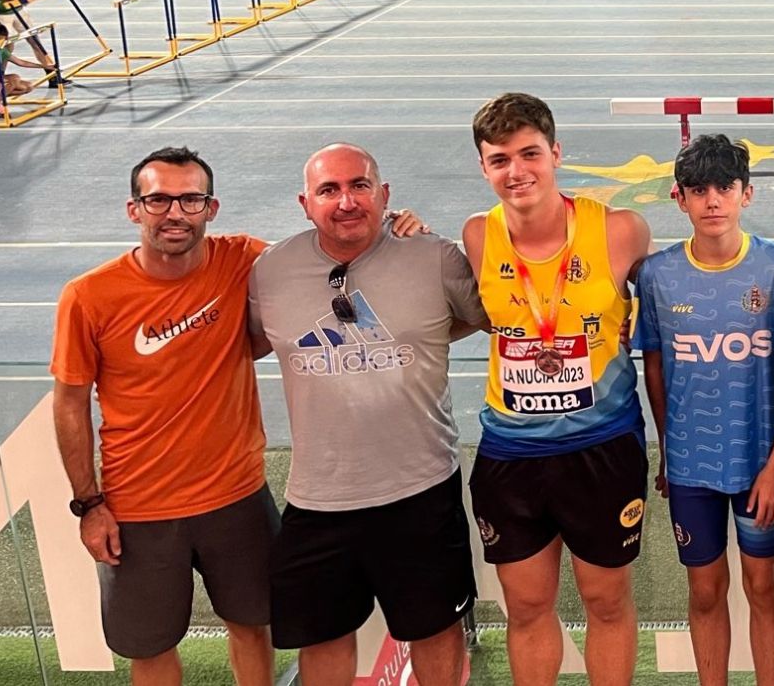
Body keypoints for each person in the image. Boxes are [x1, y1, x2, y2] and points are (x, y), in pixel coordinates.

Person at [249, 144, 488, 686]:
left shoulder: (436, 256)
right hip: (318, 497)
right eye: (328, 190)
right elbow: (244, 344)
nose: (346, 201)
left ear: (385, 195)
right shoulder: (270, 271)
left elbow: (486, 317)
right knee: (324, 639)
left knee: (435, 632)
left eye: (359, 186)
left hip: (421, 489)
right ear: (304, 203)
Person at [51, 147, 278, 686]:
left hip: (239, 496)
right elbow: (68, 404)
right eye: (158, 200)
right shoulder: (88, 296)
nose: (174, 212)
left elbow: (329, 253)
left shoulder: (243, 259)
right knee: (150, 649)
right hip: (138, 510)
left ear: (211, 207)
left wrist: (396, 230)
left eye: (190, 199)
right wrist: (89, 504)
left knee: (253, 625)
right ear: (134, 210)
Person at [462, 92, 654, 686]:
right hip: (512, 453)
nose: (516, 171)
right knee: (525, 608)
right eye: (500, 160)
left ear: (556, 154)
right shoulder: (476, 236)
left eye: (530, 154)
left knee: (606, 603)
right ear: (483, 167)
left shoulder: (621, 231)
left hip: (602, 447)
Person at [636, 133, 774, 686]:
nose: (712, 200)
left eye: (724, 188)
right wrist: (668, 450)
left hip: (760, 464)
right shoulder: (658, 275)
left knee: (763, 585)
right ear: (678, 198)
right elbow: (656, 367)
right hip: (691, 466)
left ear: (747, 194)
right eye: (698, 190)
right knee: (705, 588)